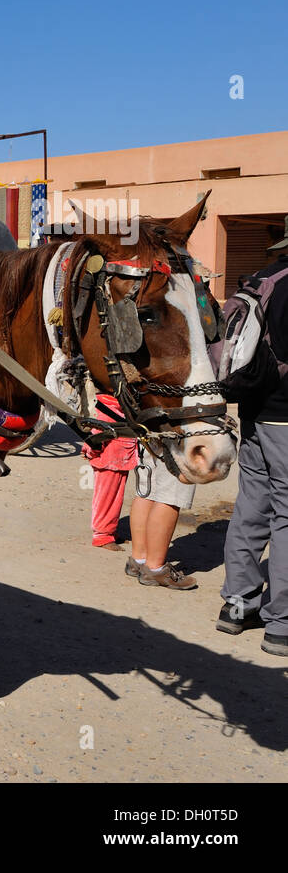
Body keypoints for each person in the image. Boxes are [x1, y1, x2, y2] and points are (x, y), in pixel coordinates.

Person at [218, 237, 288, 656]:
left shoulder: (264, 277)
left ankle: (238, 604)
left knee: (251, 503)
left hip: (254, 409)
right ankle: (281, 623)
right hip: (286, 416)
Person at [127, 443, 197, 590]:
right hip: (178, 429)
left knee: (147, 491)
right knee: (171, 494)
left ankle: (138, 560)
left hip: (146, 425)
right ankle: (154, 569)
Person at [81, 394, 137, 550]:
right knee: (106, 497)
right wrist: (89, 451)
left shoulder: (118, 405)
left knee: (116, 498)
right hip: (108, 460)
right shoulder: (105, 407)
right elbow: (95, 434)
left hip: (120, 458)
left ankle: (110, 530)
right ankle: (102, 535)